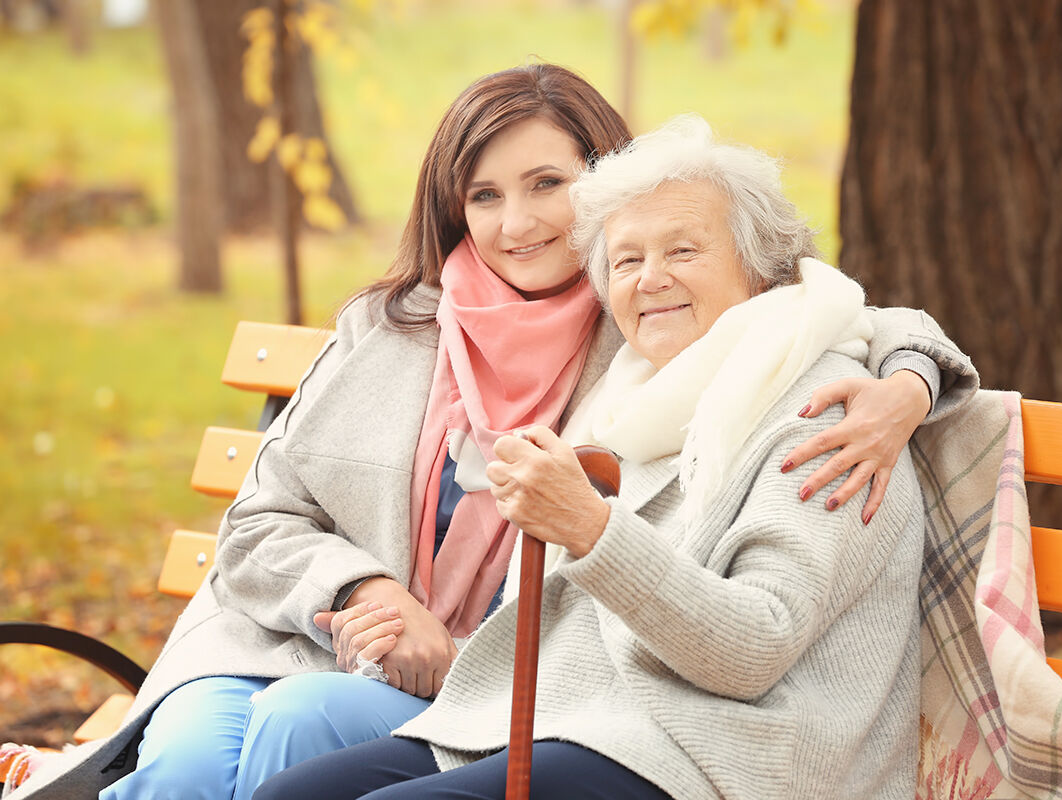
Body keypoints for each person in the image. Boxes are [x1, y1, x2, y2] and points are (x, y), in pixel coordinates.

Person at [13, 67, 975, 800]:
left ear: (603, 189)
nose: (516, 223)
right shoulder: (395, 324)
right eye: (483, 195)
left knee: (294, 738)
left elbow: (821, 306)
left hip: (506, 682)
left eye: (547, 184)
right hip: (287, 641)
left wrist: (908, 382)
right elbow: (261, 522)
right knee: (191, 771)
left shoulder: (643, 330)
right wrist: (363, 588)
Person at [252, 114, 934, 800]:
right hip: (580, 723)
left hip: (727, 756)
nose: (651, 279)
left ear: (762, 268)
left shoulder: (826, 420)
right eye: (628, 260)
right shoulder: (633, 396)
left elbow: (753, 648)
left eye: (684, 252)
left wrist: (591, 528)